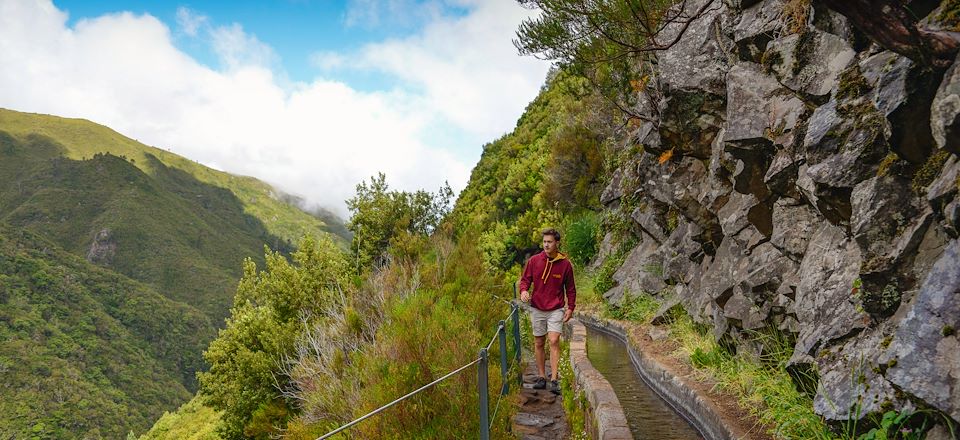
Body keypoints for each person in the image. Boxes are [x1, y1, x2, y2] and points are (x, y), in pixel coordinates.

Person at [519, 228, 576, 395]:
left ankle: (554, 379)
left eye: (549, 242)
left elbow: (571, 289)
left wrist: (571, 307)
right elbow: (525, 281)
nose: (546, 244)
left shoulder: (565, 264)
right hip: (537, 307)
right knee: (538, 342)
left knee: (553, 340)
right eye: (544, 242)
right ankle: (542, 377)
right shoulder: (534, 261)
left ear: (557, 243)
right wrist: (524, 291)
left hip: (556, 308)